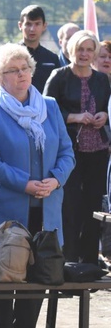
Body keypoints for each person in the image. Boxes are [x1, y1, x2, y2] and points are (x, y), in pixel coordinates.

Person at [0, 43, 74, 328]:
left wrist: (55, 179)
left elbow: (67, 153)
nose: (21, 75)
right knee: (5, 272)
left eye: (25, 69)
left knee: (39, 273)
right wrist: (25, 183)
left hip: (46, 206)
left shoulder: (51, 106)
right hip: (6, 209)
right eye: (12, 71)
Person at [44, 31, 109, 266]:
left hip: (98, 150)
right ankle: (68, 259)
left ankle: (90, 260)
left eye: (89, 49)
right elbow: (45, 111)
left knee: (94, 206)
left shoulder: (102, 79)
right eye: (80, 49)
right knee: (70, 205)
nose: (84, 54)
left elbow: (107, 107)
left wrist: (104, 116)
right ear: (71, 50)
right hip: (68, 151)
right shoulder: (58, 76)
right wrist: (73, 116)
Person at [18, 5, 60, 93]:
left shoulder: (52, 59)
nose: (32, 29)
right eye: (28, 24)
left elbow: (57, 89)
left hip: (44, 105)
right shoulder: (9, 56)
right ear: (20, 25)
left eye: (37, 24)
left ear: (44, 26)